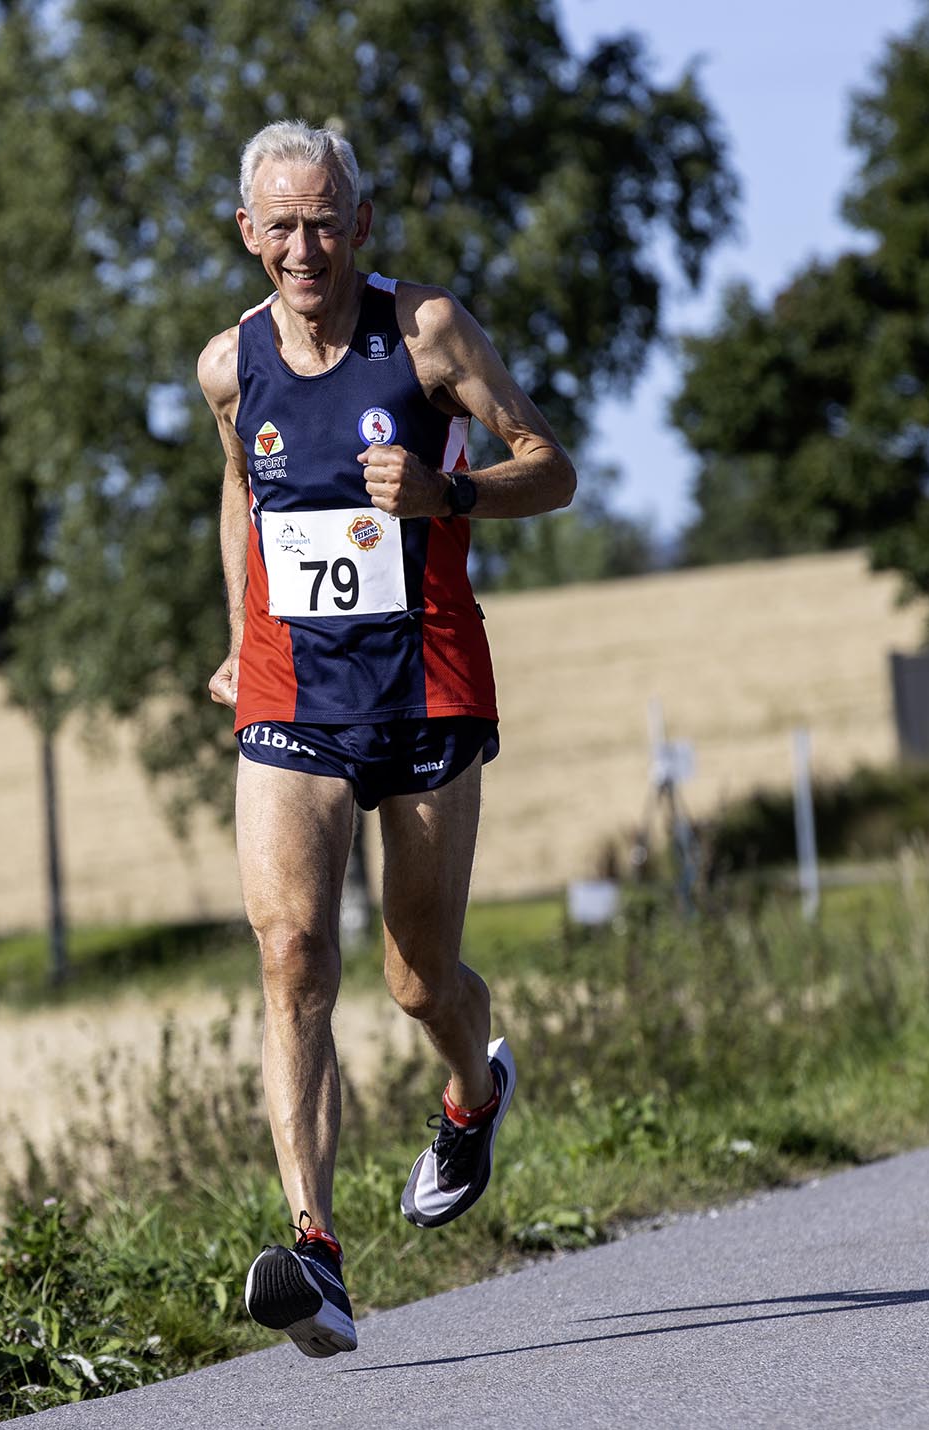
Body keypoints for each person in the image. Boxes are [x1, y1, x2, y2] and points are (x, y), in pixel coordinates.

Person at [196, 119, 576, 1358]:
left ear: (359, 225)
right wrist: (238, 630)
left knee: (418, 974)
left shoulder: (427, 334)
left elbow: (549, 464)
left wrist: (449, 492)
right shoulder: (226, 365)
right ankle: (315, 1252)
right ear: (246, 234)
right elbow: (239, 497)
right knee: (294, 952)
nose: (303, 248)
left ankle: (474, 1087)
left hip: (425, 683)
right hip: (291, 694)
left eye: (324, 222)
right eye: (280, 226)